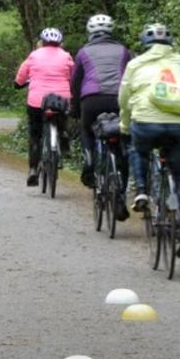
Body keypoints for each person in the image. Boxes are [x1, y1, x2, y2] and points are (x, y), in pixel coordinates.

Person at [118, 23, 180, 257]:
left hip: (146, 122)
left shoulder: (135, 64)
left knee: (138, 148)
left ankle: (142, 191)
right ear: (170, 44)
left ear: (145, 43)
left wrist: (125, 123)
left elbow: (124, 98)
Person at [71, 14, 132, 220]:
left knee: (87, 129)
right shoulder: (124, 50)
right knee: (121, 140)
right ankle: (120, 195)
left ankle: (89, 161)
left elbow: (76, 82)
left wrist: (74, 109)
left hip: (91, 100)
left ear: (90, 33)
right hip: (118, 99)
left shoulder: (83, 52)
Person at [15, 28, 74, 186]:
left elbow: (21, 77)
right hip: (61, 99)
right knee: (61, 120)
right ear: (60, 43)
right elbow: (73, 76)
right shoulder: (66, 56)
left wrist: (19, 84)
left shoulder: (34, 55)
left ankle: (33, 170)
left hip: (37, 101)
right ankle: (64, 139)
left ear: (41, 42)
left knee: (35, 135)